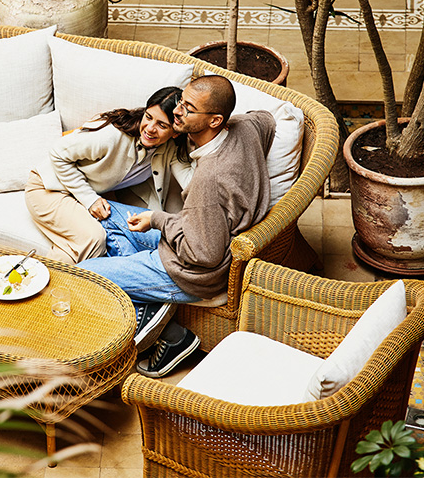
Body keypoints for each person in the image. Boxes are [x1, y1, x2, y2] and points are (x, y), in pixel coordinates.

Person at [78, 74, 276, 378]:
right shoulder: (246, 127)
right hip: (196, 230)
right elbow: (267, 120)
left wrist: (158, 219)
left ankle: (171, 336)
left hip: (190, 271)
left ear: (215, 120)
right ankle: (151, 306)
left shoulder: (207, 181)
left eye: (189, 108)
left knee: (87, 275)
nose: (177, 111)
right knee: (109, 213)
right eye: (181, 101)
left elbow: (203, 254)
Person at [25, 87, 193, 264]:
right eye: (148, 117)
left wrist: (212, 133)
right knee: (94, 239)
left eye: (162, 125)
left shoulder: (170, 148)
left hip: (85, 194)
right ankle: (37, 279)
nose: (150, 128)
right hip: (48, 188)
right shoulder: (112, 137)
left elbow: (190, 182)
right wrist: (90, 199)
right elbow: (58, 153)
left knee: (149, 239)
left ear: (175, 132)